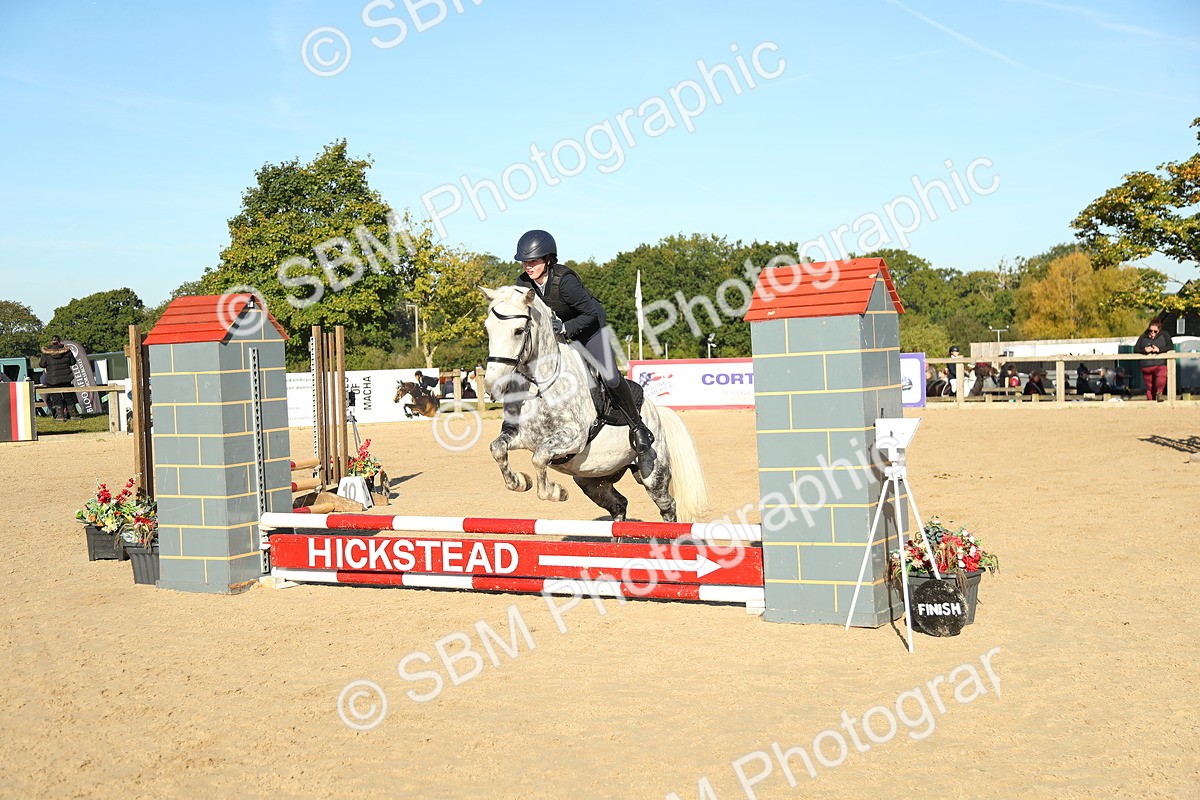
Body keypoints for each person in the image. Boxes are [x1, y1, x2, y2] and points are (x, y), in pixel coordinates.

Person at [513, 229, 653, 453]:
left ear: (548, 260)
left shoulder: (565, 282)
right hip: (555, 335)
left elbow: (591, 315)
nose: (528, 266)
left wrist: (567, 327)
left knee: (610, 377)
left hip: (589, 330)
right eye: (525, 262)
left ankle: (638, 426)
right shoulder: (523, 283)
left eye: (534, 261)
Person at [38, 335, 78, 420]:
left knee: (56, 398)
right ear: (60, 341)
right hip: (66, 378)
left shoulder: (46, 353)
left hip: (52, 379)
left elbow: (42, 364)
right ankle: (73, 415)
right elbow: (73, 362)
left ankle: (60, 416)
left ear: (51, 342)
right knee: (68, 396)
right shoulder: (67, 352)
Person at [1134, 319, 1174, 401]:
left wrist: (1159, 350)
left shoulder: (1165, 335)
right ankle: (1151, 404)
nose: (1152, 333)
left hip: (1159, 364)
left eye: (1155, 331)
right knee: (1150, 387)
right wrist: (1144, 350)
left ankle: (1159, 393)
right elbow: (1135, 349)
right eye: (1150, 331)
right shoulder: (1143, 336)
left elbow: (1170, 346)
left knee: (1161, 376)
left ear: (1159, 330)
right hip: (1146, 365)